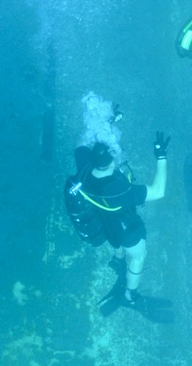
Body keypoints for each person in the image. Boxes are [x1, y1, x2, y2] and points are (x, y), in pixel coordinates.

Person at [71, 131, 171, 320]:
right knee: (139, 257)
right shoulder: (120, 191)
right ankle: (130, 295)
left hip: (106, 224)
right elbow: (158, 191)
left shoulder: (84, 168)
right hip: (128, 232)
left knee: (115, 237)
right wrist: (161, 156)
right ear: (112, 161)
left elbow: (80, 141)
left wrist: (105, 121)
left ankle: (118, 259)